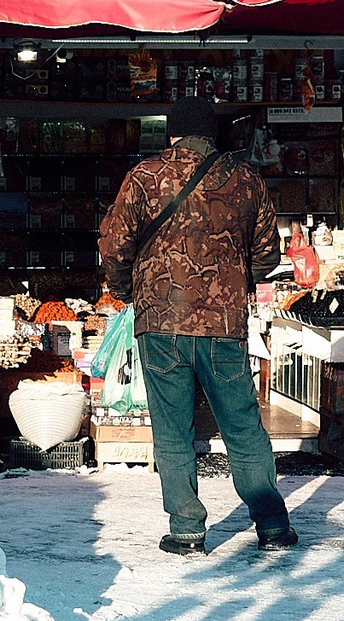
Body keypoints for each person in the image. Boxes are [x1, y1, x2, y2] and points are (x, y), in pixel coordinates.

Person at [99, 95, 296, 555]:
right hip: (224, 325)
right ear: (212, 135)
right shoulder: (246, 180)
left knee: (172, 428)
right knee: (243, 425)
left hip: (160, 324)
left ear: (172, 133)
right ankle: (271, 524)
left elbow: (114, 246)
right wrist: (234, 276)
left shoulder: (145, 178)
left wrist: (127, 291)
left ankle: (187, 529)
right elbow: (268, 253)